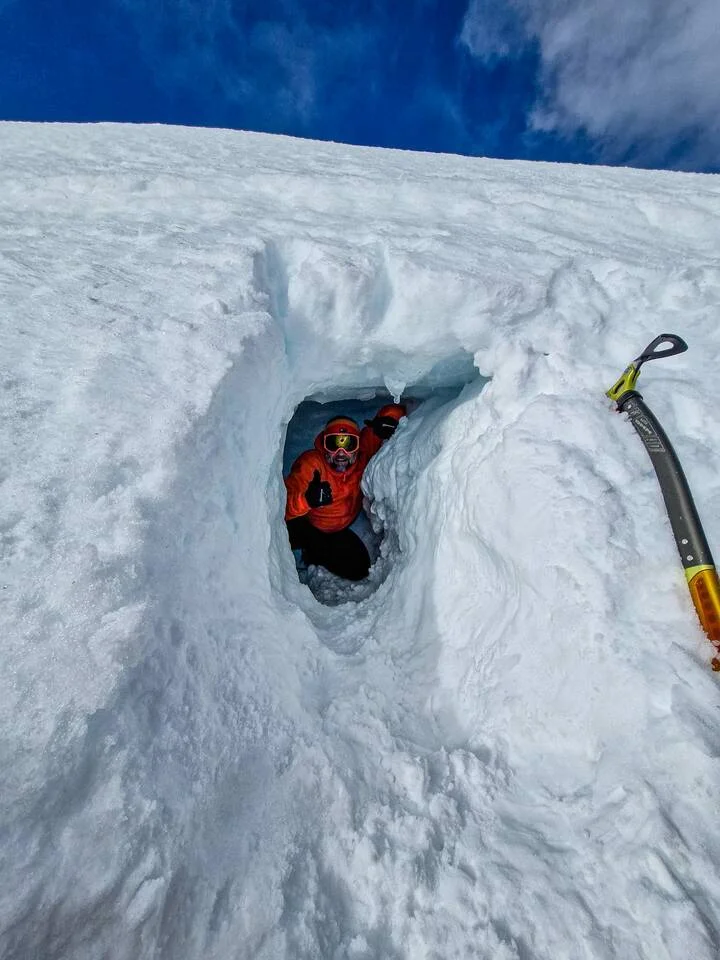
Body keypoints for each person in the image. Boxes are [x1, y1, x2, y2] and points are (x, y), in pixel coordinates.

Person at [285, 404, 407, 580]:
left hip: (337, 530)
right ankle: (307, 549)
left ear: (357, 446)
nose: (340, 452)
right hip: (306, 525)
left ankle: (315, 552)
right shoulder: (311, 463)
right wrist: (307, 500)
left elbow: (395, 410)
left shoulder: (363, 455)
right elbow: (282, 506)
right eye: (334, 443)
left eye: (348, 443)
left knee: (359, 569)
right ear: (324, 445)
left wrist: (385, 423)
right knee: (283, 536)